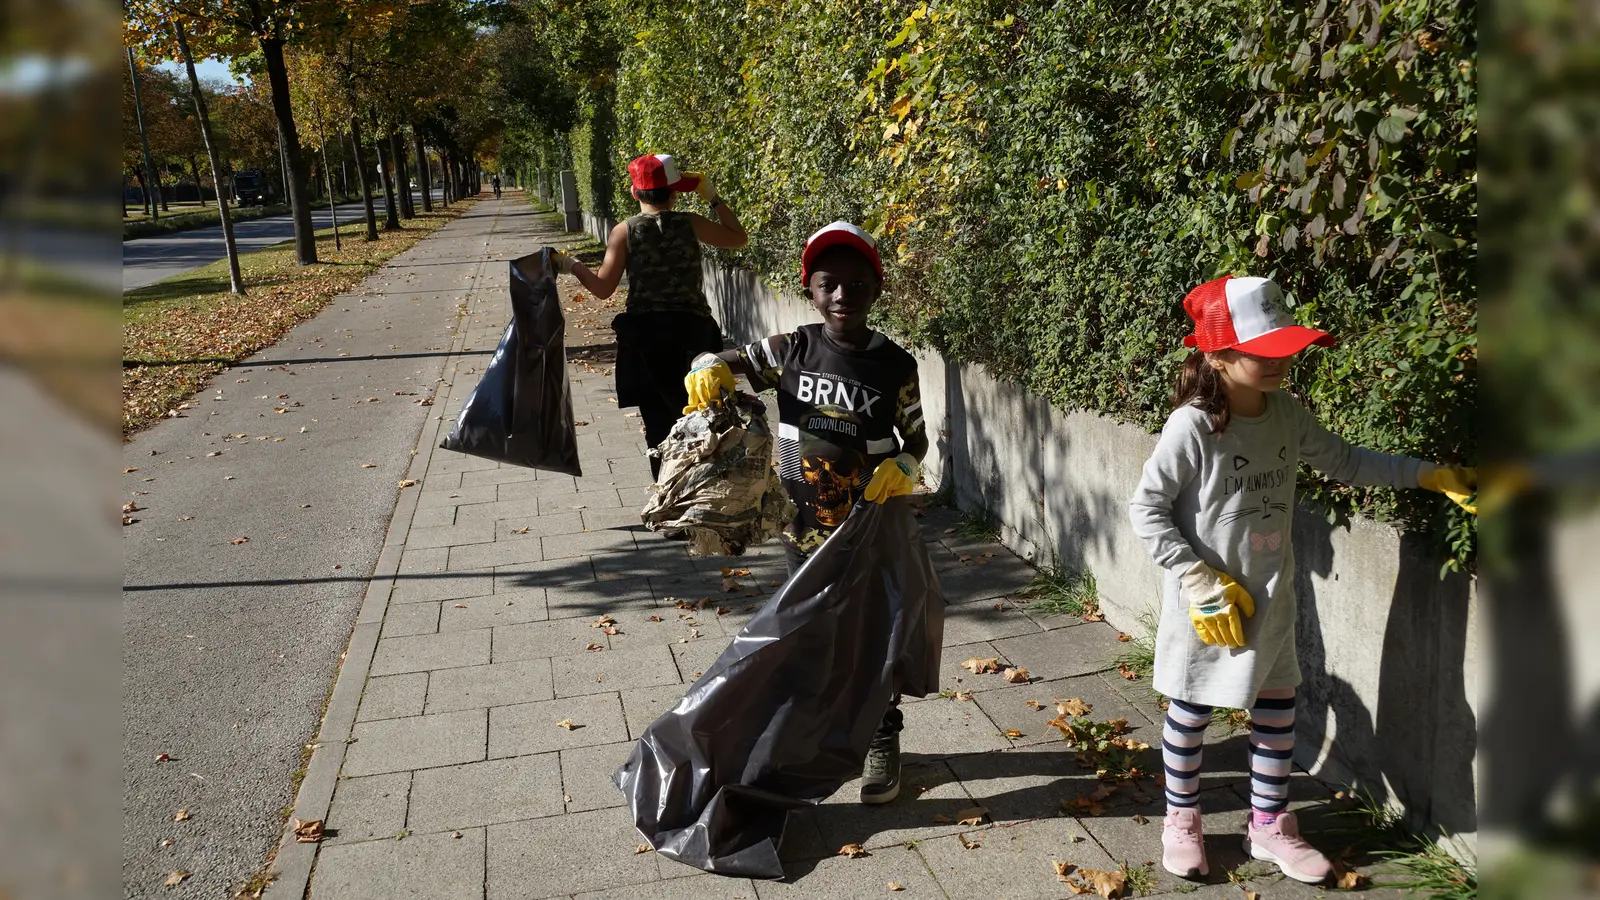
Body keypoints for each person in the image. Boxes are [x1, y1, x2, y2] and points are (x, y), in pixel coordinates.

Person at [1127, 275, 1477, 884]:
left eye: (1285, 347)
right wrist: (1196, 578)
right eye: (1262, 350)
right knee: (1190, 714)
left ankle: (1269, 825)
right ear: (1216, 353)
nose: (1280, 360)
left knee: (1276, 712)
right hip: (1210, 606)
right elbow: (1146, 509)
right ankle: (1181, 818)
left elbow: (1347, 460)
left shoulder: (1287, 415)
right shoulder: (1193, 428)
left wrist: (1428, 475)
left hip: (1272, 599)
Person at [682, 222, 929, 803]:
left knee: (870, 633)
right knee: (808, 636)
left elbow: (916, 437)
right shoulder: (791, 348)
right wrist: (705, 362)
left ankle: (880, 736)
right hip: (801, 527)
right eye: (828, 284)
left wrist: (908, 466)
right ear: (811, 291)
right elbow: (731, 361)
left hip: (868, 525)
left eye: (856, 283)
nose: (843, 294)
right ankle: (808, 732)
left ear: (876, 288)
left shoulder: (895, 364)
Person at [551, 153, 748, 484]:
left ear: (634, 192)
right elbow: (738, 237)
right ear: (674, 193)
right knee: (701, 416)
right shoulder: (691, 222)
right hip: (694, 335)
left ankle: (669, 496)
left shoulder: (624, 231)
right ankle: (703, 492)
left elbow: (602, 288)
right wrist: (711, 196)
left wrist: (570, 265)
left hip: (648, 340)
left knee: (658, 425)